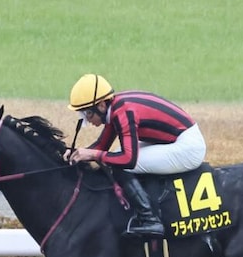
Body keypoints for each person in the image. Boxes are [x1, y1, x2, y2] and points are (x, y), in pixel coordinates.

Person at [64, 74, 207, 237]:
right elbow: (101, 146)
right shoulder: (115, 107)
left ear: (102, 105)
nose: (88, 120)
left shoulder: (123, 112)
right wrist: (77, 153)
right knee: (114, 155)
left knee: (119, 163)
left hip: (188, 147)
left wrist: (93, 154)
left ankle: (150, 220)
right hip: (175, 139)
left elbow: (128, 160)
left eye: (88, 113)